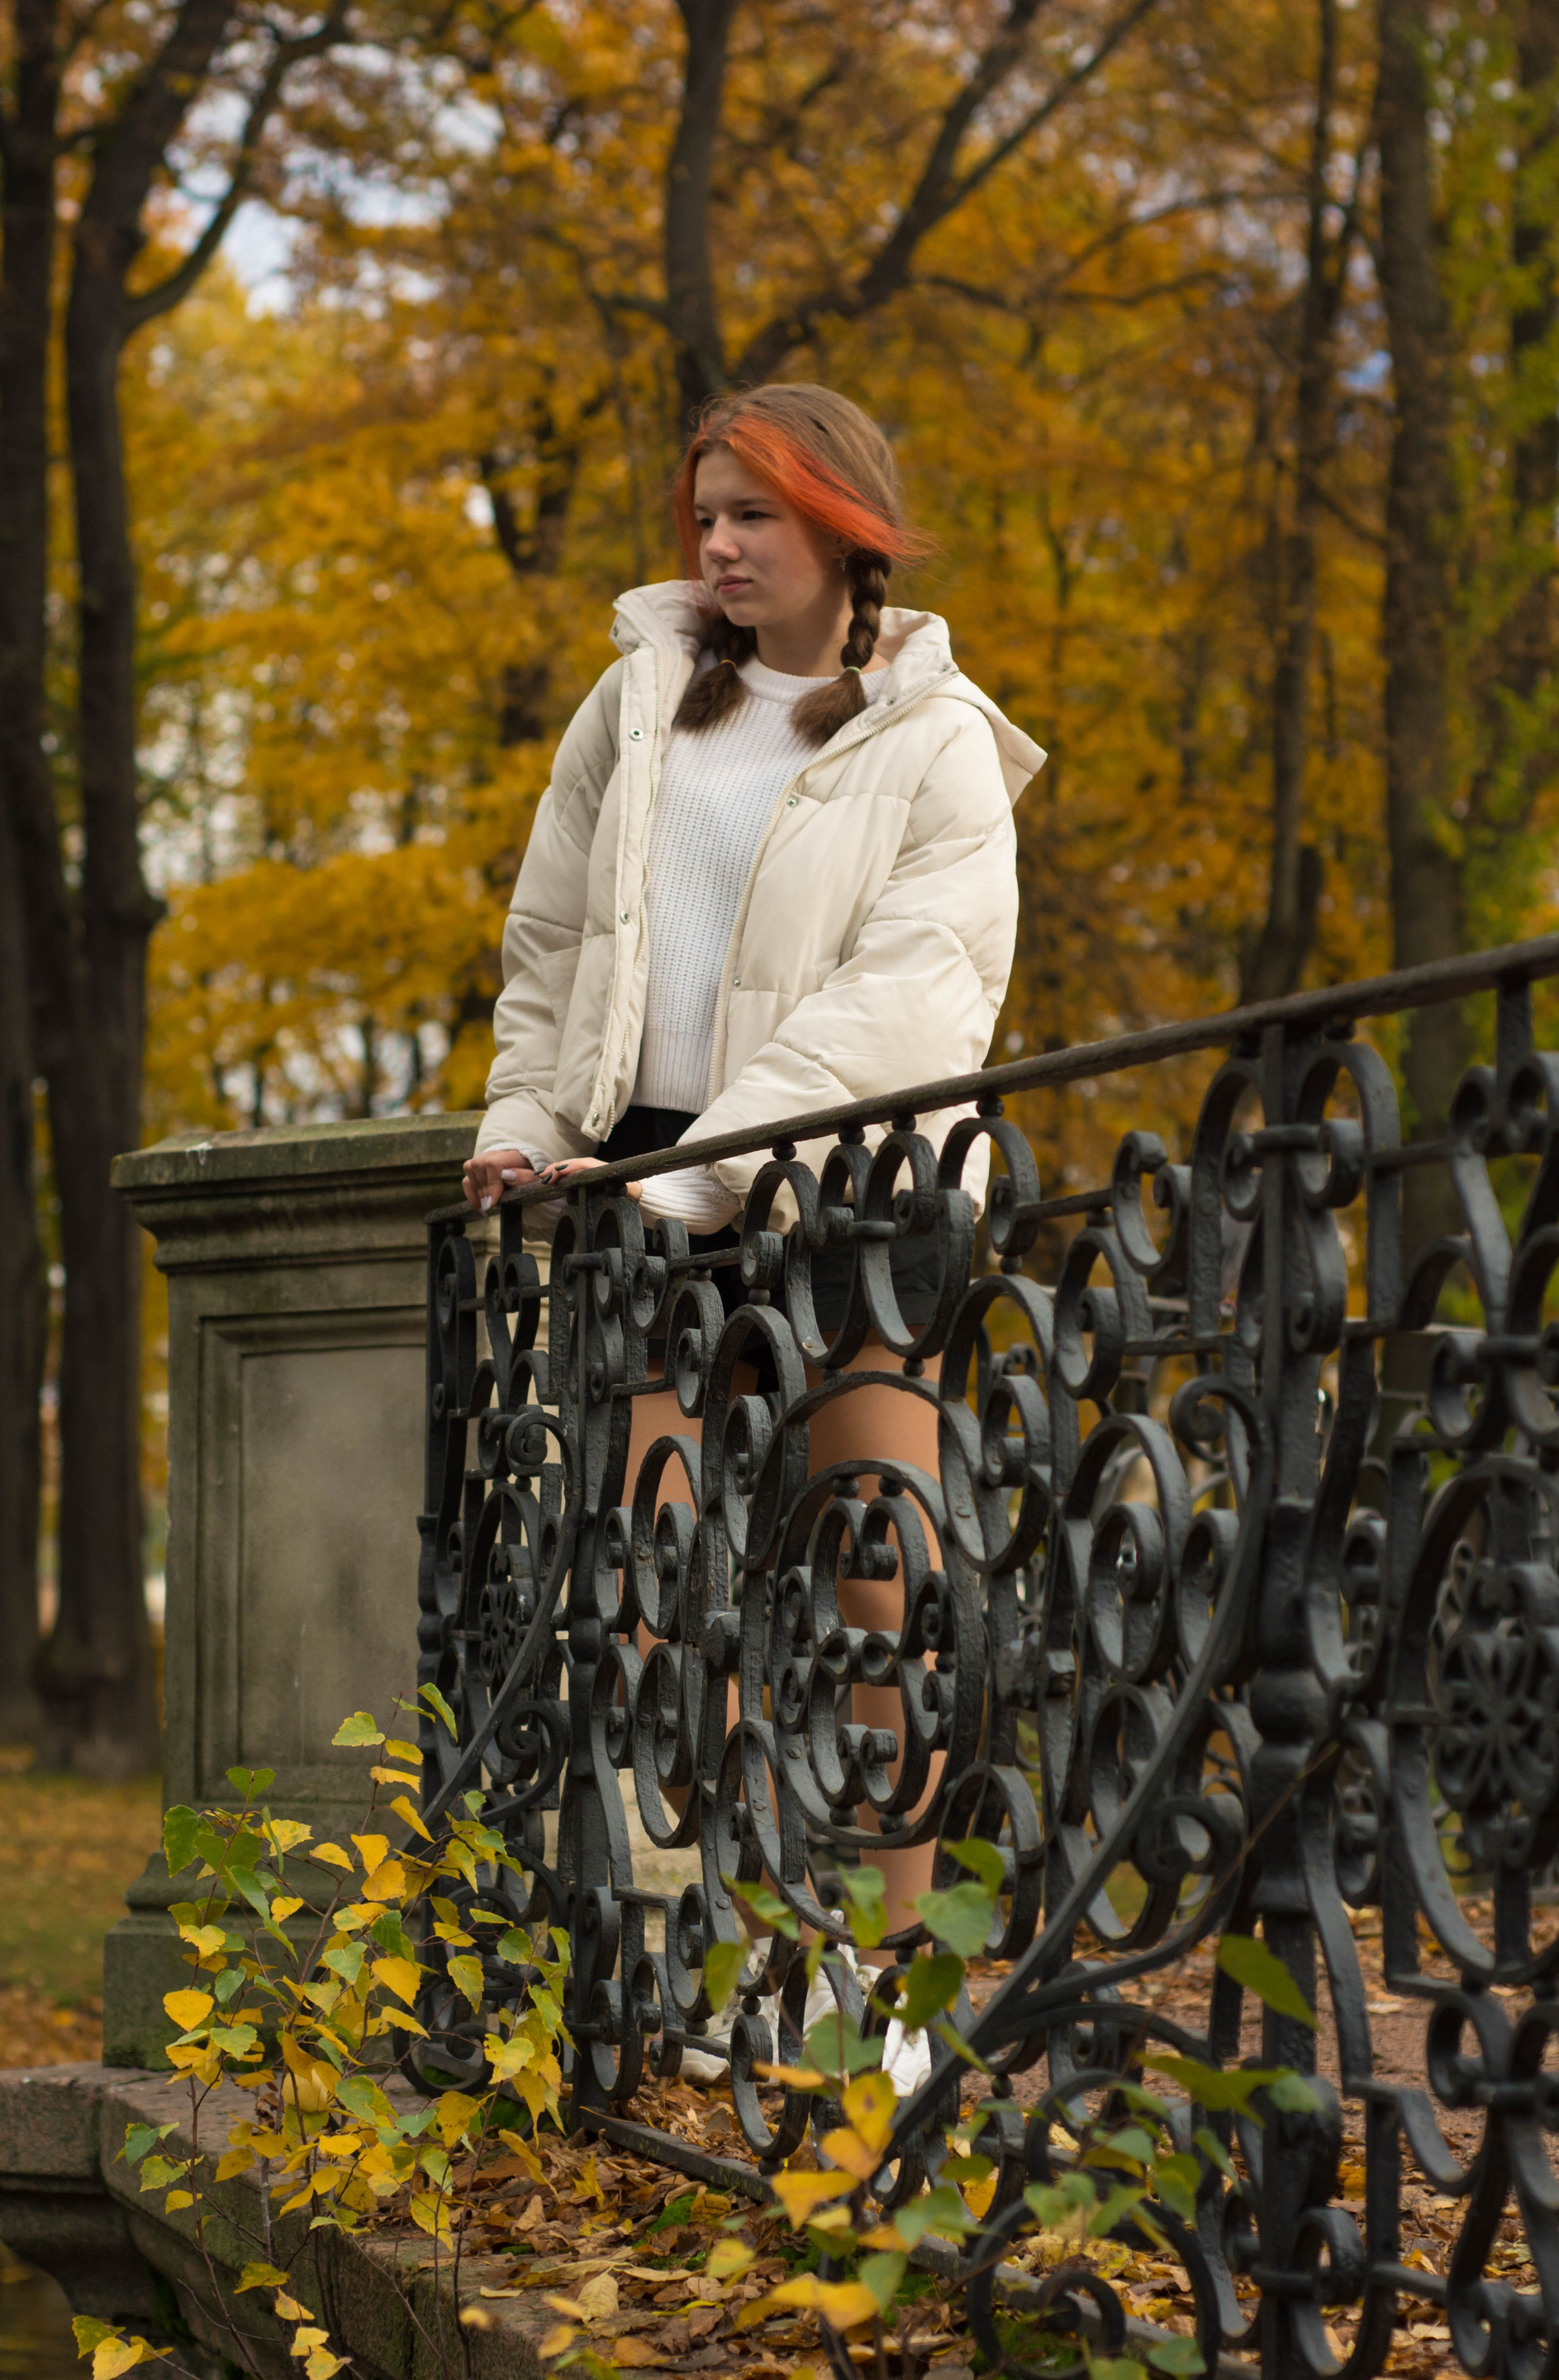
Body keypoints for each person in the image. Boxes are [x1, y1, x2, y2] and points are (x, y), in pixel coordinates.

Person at [462, 381, 1043, 2003]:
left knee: (882, 1570)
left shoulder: (939, 738)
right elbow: (555, 945)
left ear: (843, 527)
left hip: (850, 1181)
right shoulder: (638, 704)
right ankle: (730, 1960)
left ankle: (896, 1981)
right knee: (652, 1575)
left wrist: (706, 1166)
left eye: (754, 515)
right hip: (633, 1169)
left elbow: (915, 996)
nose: (717, 545)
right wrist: (524, 1117)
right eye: (704, 516)